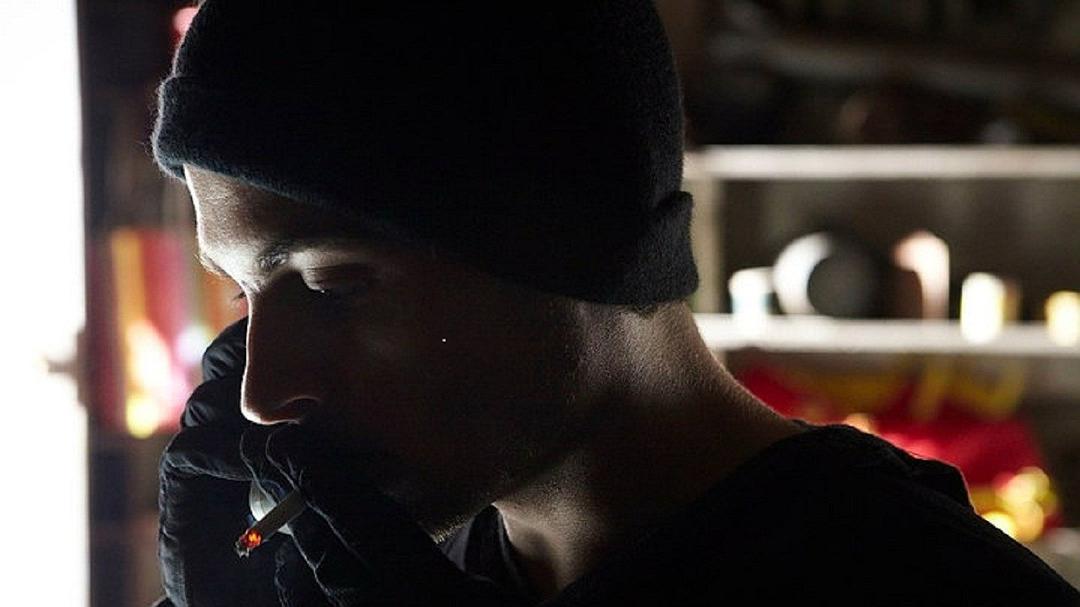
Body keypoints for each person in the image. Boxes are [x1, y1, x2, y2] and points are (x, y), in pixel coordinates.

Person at [151, 2, 1080, 605]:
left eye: (334, 286)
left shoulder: (922, 587)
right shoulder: (395, 572)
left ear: (565, 242)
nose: (261, 395)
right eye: (243, 293)